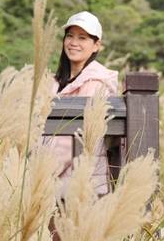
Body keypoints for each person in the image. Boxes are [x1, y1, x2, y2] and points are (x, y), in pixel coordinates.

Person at [44, 11, 118, 198]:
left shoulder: (96, 83)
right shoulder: (54, 83)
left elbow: (75, 138)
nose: (73, 42)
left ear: (96, 46)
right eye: (70, 36)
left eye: (82, 38)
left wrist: (39, 173)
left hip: (79, 187)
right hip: (54, 183)